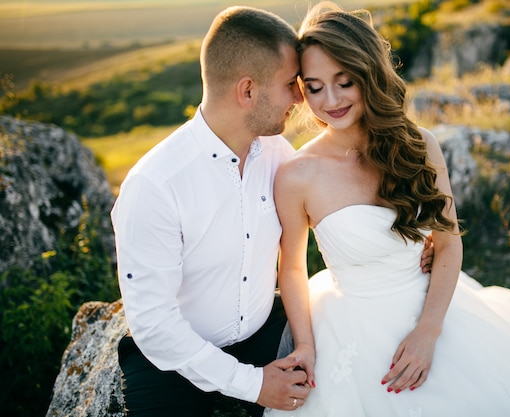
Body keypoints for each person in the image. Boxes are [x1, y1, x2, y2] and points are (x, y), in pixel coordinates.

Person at [264, 2, 510, 416]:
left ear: (370, 75)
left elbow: (448, 244)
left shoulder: (420, 145)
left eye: (345, 82)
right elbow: (292, 268)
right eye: (314, 87)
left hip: (436, 309)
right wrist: (307, 344)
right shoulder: (297, 175)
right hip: (351, 322)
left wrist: (428, 332)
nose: (330, 99)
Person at [111, 4, 436, 416]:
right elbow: (155, 327)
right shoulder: (154, 185)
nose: (302, 97)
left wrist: (405, 246)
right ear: (248, 91)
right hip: (175, 364)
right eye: (291, 84)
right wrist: (254, 384)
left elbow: (339, 196)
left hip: (266, 336)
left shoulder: (279, 156)